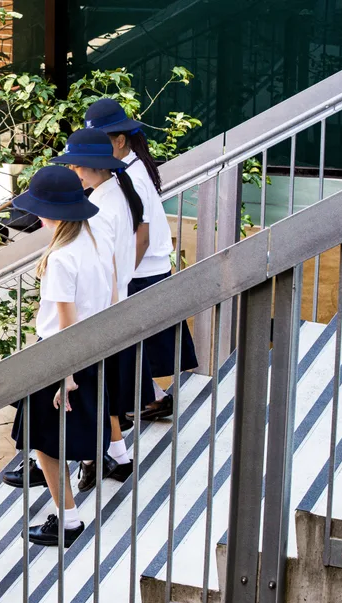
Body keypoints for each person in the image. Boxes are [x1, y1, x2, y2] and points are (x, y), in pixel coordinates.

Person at [7, 165, 115, 547]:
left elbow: (65, 322)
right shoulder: (94, 238)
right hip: (92, 347)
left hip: (60, 356)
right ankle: (65, 513)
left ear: (51, 213)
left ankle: (68, 521)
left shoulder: (61, 259)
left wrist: (64, 374)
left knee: (45, 444)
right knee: (51, 441)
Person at [50, 128, 155, 492]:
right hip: (114, 303)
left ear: (84, 166)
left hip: (103, 309)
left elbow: (104, 262)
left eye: (75, 165)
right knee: (101, 391)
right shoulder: (116, 192)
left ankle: (96, 459)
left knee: (92, 393)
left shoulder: (101, 207)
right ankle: (115, 457)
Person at [85, 98, 199, 420]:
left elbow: (142, 236)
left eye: (100, 142)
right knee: (134, 345)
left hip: (141, 271)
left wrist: (118, 280)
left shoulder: (130, 175)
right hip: (144, 269)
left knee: (128, 344)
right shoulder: (129, 167)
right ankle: (153, 399)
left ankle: (145, 403)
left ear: (119, 141)